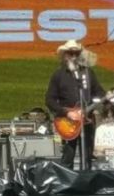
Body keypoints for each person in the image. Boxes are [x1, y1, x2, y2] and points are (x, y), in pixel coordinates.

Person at [45, 40, 105, 169]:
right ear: (65, 55)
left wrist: (97, 103)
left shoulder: (88, 73)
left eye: (76, 53)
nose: (73, 56)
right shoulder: (59, 75)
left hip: (87, 121)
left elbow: (99, 92)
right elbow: (49, 100)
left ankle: (87, 181)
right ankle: (67, 183)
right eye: (70, 53)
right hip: (67, 122)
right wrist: (67, 112)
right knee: (68, 156)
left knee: (87, 156)